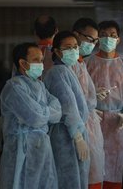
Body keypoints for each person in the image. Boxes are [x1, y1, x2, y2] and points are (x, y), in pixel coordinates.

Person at [84, 20, 123, 189]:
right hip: (92, 120)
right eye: (103, 35)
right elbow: (78, 92)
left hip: (116, 125)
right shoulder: (87, 64)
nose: (108, 39)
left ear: (118, 39)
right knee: (92, 168)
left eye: (112, 35)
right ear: (97, 39)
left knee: (113, 168)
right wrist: (90, 104)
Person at [0, 42, 62, 189]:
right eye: (36, 60)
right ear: (22, 63)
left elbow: (58, 111)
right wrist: (45, 112)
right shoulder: (13, 87)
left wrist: (41, 111)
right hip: (21, 150)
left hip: (42, 149)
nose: (41, 64)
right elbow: (34, 117)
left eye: (41, 60)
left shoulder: (40, 86)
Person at [44, 30, 90, 189]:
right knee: (68, 180)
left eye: (76, 46)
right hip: (66, 135)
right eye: (68, 47)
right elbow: (67, 106)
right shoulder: (58, 72)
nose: (74, 50)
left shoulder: (67, 70)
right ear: (57, 51)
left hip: (71, 132)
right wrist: (77, 136)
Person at [72, 17, 105, 189]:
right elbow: (68, 103)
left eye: (95, 41)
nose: (92, 44)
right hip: (77, 128)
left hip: (89, 124)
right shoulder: (66, 67)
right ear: (76, 35)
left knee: (94, 175)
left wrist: (92, 101)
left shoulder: (81, 63)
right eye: (90, 39)